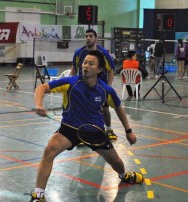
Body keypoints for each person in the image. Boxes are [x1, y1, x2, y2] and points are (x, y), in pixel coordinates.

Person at [30, 50, 144, 202]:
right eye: (84, 62)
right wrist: (38, 104)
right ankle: (38, 195)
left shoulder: (105, 90)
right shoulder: (70, 83)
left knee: (116, 162)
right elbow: (42, 88)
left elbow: (118, 108)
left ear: (99, 69)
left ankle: (124, 175)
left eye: (91, 63)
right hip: (69, 129)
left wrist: (128, 131)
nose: (86, 66)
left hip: (95, 132)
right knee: (49, 151)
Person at [70, 29, 117, 143]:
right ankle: (83, 133)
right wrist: (72, 84)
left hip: (100, 87)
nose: (88, 38)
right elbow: (74, 69)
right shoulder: (79, 53)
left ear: (96, 38)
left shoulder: (103, 53)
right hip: (83, 87)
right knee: (83, 110)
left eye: (90, 36)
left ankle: (109, 129)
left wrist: (108, 88)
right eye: (86, 36)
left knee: (105, 109)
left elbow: (110, 71)